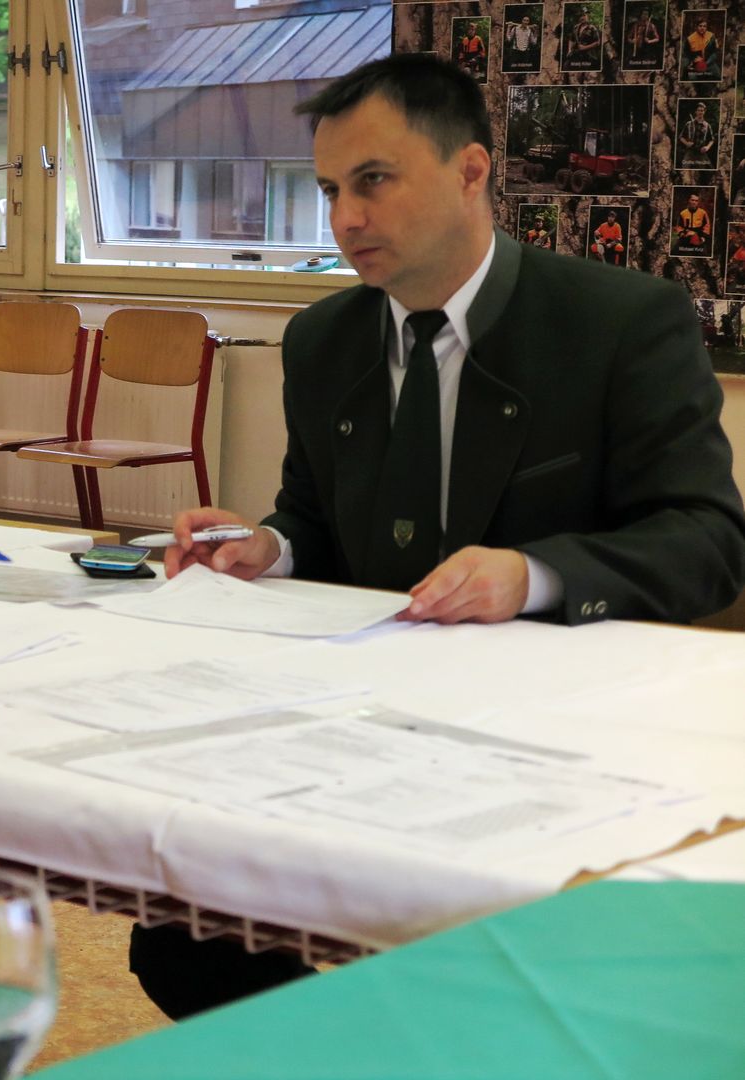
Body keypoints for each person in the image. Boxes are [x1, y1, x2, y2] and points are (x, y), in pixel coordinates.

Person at [131, 52, 745, 1021]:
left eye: (373, 181)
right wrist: (269, 548)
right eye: (329, 190)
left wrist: (533, 574)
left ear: (470, 171)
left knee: (501, 968)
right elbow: (313, 516)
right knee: (181, 932)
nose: (346, 219)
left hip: (555, 738)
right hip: (355, 722)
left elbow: (708, 540)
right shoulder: (322, 341)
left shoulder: (619, 323)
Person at [679, 102, 715, 169]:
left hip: (701, 153)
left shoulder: (707, 125)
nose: (700, 112)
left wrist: (707, 147)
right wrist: (687, 143)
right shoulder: (689, 124)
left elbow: (712, 140)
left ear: (704, 112)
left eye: (702, 110)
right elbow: (681, 137)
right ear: (696, 111)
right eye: (698, 110)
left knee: (706, 169)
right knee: (684, 169)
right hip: (690, 152)